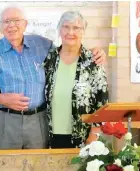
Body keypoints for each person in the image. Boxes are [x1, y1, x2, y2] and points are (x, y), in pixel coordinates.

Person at [0, 5, 107, 150]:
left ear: (25, 24)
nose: (11, 25)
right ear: (0, 26)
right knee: (5, 164)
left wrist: (93, 52)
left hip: (38, 121)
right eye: (6, 21)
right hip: (6, 120)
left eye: (16, 20)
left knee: (39, 164)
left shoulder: (42, 45)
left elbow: (70, 50)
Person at [43, 11, 108, 148]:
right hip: (49, 135)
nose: (70, 32)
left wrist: (93, 136)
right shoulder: (49, 59)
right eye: (66, 27)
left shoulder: (92, 61)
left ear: (83, 31)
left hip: (83, 136)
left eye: (76, 28)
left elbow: (102, 103)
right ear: (59, 30)